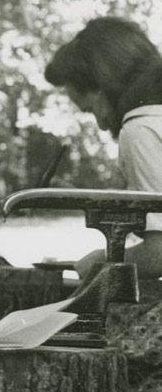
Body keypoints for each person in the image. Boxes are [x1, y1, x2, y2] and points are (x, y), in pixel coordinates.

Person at [45, 16, 162, 280]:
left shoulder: (140, 128)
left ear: (105, 83)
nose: (99, 124)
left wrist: (103, 262)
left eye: (90, 109)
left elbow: (160, 254)